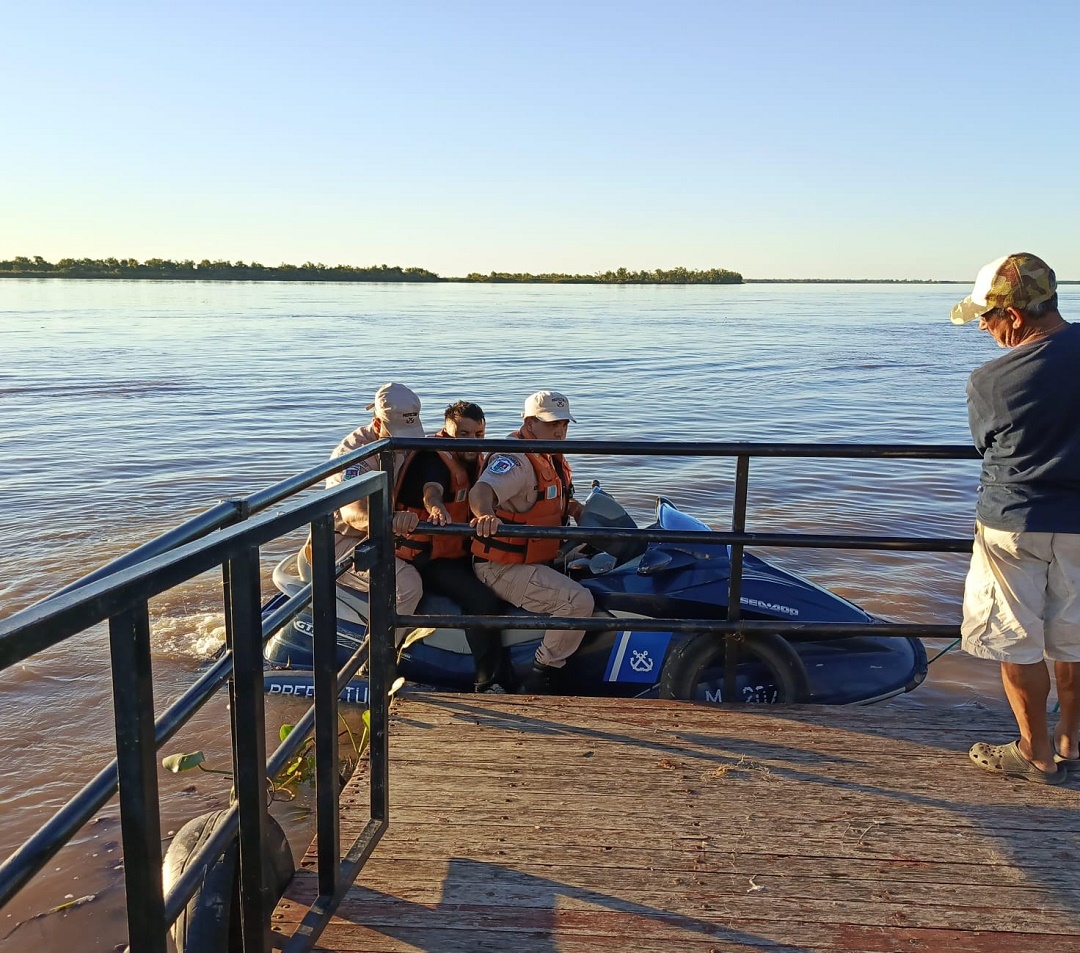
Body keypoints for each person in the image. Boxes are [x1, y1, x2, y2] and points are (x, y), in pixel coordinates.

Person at [951, 253, 1080, 785]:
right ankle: (1072, 741)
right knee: (1075, 637)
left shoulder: (992, 380)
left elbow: (985, 444)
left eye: (987, 317)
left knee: (1015, 638)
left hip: (1014, 522)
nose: (983, 327)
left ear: (1014, 315)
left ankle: (1036, 753)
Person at [469, 390, 594, 694]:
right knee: (578, 601)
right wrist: (485, 515)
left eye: (564, 424)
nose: (560, 431)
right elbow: (481, 491)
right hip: (501, 566)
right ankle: (541, 674)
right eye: (552, 424)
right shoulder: (515, 460)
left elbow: (547, 499)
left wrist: (577, 510)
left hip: (537, 553)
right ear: (529, 423)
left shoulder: (548, 453)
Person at [394, 401, 515, 692]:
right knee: (482, 601)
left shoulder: (473, 459)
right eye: (464, 434)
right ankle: (488, 681)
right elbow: (431, 491)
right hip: (427, 557)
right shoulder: (433, 459)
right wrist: (436, 509)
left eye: (479, 434)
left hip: (457, 549)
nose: (472, 441)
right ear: (448, 431)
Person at [321, 382, 428, 626]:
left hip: (383, 535)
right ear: (378, 424)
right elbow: (353, 513)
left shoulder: (406, 446)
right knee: (408, 586)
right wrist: (391, 521)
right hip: (342, 541)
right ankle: (378, 648)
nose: (406, 444)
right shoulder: (354, 455)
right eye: (399, 436)